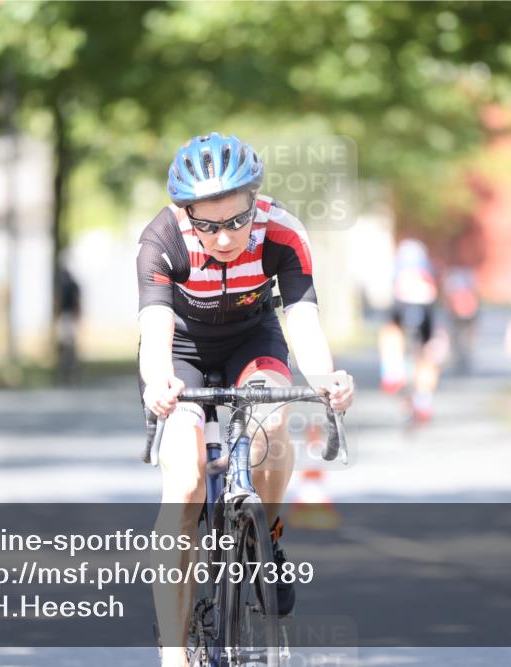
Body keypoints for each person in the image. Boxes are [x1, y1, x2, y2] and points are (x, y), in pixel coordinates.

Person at [136, 133, 355, 667]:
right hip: (182, 352)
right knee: (185, 481)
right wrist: (159, 382)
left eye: (236, 221)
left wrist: (325, 377)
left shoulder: (282, 232)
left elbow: (302, 318)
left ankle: (267, 535)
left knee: (272, 424)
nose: (225, 237)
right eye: (208, 225)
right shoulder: (161, 240)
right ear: (187, 214)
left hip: (253, 341)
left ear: (255, 202)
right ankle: (173, 652)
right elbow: (155, 329)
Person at [378, 238, 440, 422]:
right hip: (425, 309)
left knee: (390, 331)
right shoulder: (426, 271)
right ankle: (424, 400)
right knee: (427, 351)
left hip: (402, 306)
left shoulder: (399, 270)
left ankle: (392, 370)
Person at [54, 263, 82, 384]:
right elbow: (77, 302)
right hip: (70, 317)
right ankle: (70, 370)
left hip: (66, 316)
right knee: (70, 345)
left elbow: (59, 302)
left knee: (66, 345)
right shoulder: (73, 286)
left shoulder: (63, 286)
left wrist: (57, 316)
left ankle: (67, 370)